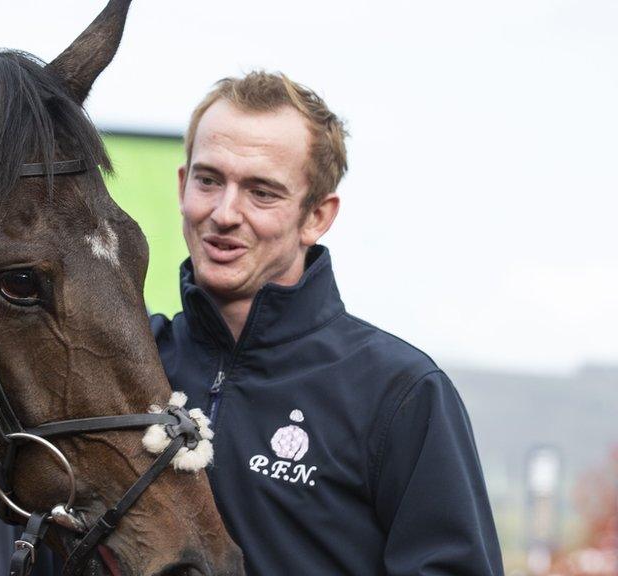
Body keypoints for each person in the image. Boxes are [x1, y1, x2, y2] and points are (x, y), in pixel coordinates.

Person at [150, 71, 504, 575]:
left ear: (317, 216)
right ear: (183, 186)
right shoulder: (132, 362)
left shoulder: (400, 392)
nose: (225, 213)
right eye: (209, 180)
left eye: (262, 193)